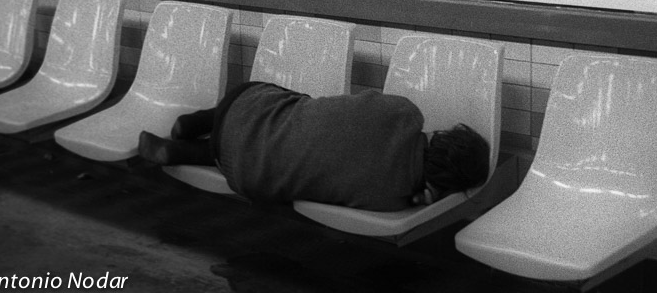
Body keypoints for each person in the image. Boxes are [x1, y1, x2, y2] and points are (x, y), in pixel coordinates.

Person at [138, 81, 490, 211]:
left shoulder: (405, 112)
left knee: (284, 102)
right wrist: (427, 194)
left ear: (445, 138)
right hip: (246, 176)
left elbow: (361, 100)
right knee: (249, 154)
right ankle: (184, 151)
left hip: (244, 110)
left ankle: (195, 122)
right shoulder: (392, 199)